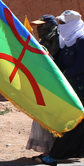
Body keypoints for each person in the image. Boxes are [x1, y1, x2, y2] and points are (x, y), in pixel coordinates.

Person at [34, 11, 84, 166]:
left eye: (63, 23)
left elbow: (80, 66)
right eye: (60, 23)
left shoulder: (83, 41)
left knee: (74, 122)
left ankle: (54, 156)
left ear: (72, 24)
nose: (60, 27)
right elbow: (62, 63)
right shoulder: (67, 43)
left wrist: (61, 76)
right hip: (73, 90)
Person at [25, 15, 59, 154]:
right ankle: (49, 149)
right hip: (44, 86)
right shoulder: (42, 42)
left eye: (42, 26)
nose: (39, 29)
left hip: (56, 87)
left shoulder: (58, 41)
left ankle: (57, 150)